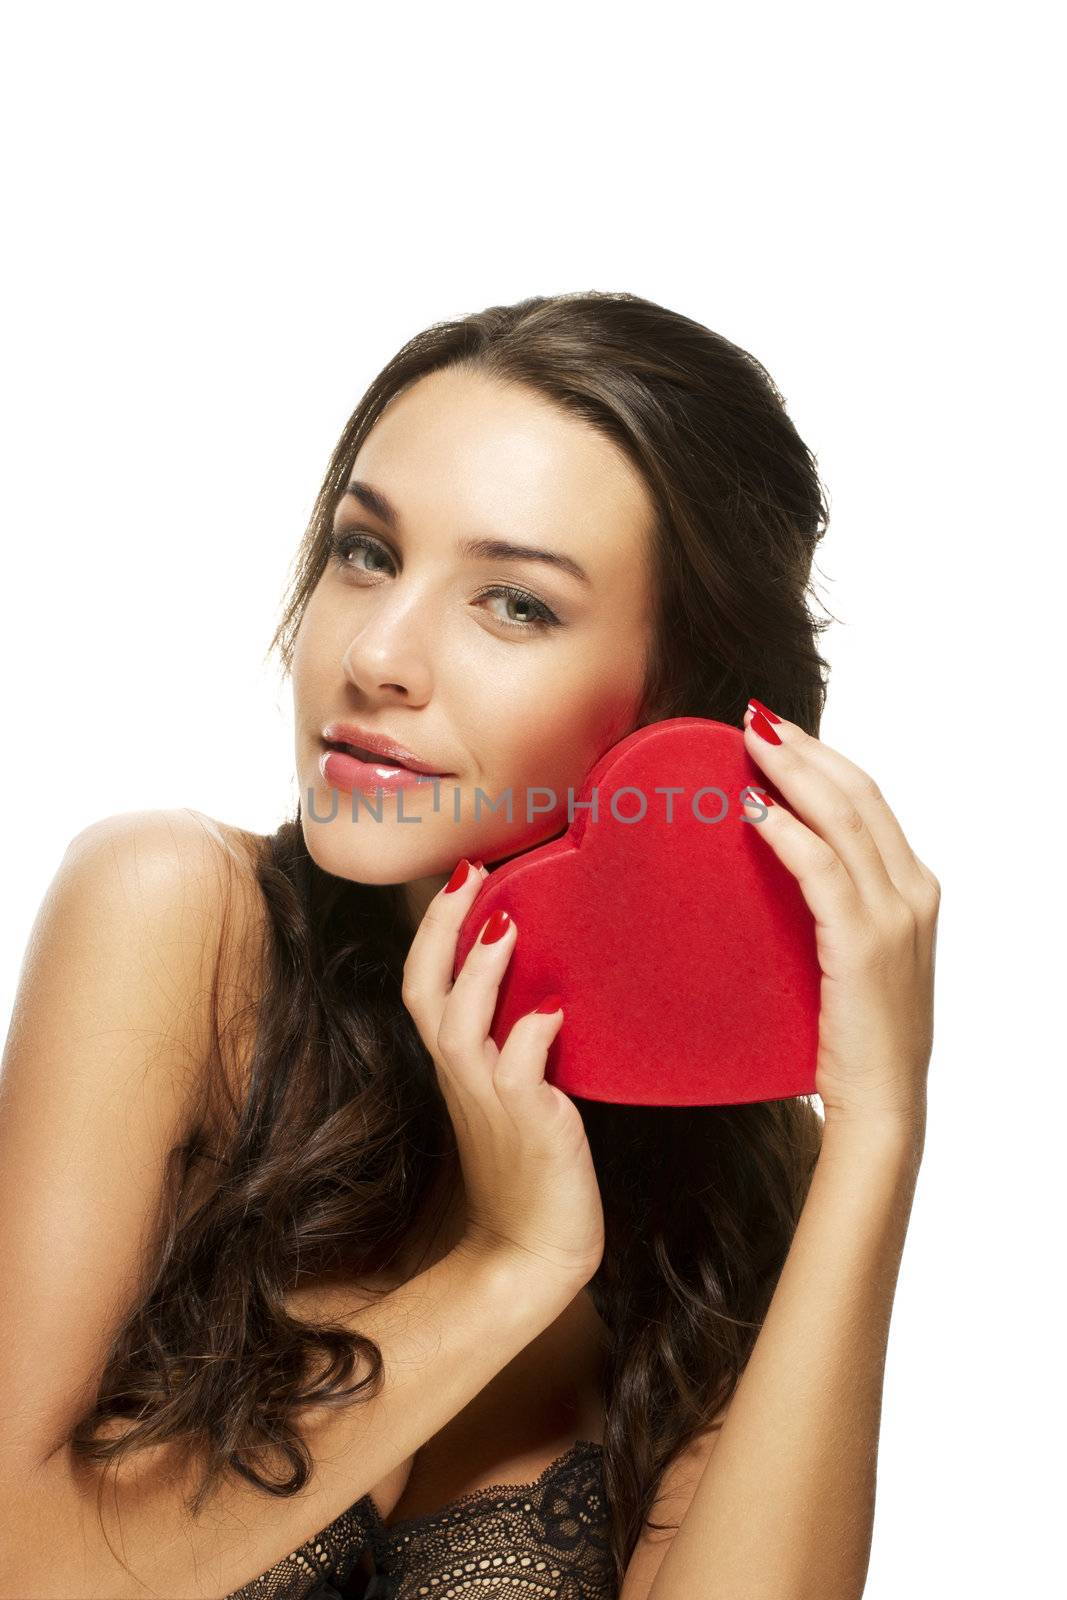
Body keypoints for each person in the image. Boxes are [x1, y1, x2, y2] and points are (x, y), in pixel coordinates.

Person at [0, 290, 938, 1600]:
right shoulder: (175, 921)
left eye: (514, 604)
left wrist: (880, 1128)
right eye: (366, 553)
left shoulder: (744, 1186)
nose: (376, 653)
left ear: (685, 715)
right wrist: (511, 1266)